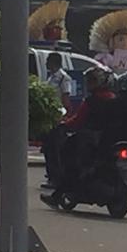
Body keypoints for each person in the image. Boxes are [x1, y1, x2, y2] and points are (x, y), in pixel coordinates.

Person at [41, 66, 118, 208]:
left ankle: (57, 196)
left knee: (71, 164)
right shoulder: (114, 99)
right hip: (109, 141)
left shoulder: (91, 101)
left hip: (90, 141)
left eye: (92, 81)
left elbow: (78, 121)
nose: (89, 84)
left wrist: (64, 125)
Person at [41, 53, 73, 189]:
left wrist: (65, 116)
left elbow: (66, 98)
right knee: (48, 148)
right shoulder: (51, 77)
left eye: (48, 61)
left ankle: (56, 178)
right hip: (49, 116)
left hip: (57, 117)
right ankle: (51, 176)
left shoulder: (63, 78)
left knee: (55, 149)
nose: (46, 63)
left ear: (54, 62)